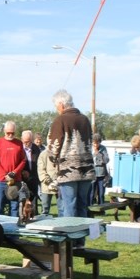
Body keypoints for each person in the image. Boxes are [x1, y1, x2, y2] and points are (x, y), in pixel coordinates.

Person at [46, 89, 95, 219]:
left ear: (61, 105)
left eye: (56, 106)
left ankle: (69, 239)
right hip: (87, 170)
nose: (57, 109)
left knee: (69, 206)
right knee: (82, 206)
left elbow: (54, 146)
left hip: (68, 171)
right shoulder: (85, 119)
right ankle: (80, 239)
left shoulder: (60, 120)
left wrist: (53, 160)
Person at [0, 121, 26, 216]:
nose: (10, 135)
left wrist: (14, 173)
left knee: (15, 206)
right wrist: (5, 174)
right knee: (0, 205)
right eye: (8, 133)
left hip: (15, 180)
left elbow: (23, 160)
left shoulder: (19, 143)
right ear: (4, 131)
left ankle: (14, 227)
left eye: (13, 133)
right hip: (2, 180)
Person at [37, 148, 62, 216]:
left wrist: (58, 181)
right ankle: (43, 225)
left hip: (60, 184)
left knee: (62, 208)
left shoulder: (61, 152)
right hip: (46, 186)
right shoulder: (43, 154)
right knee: (45, 209)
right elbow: (41, 170)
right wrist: (49, 182)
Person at [20, 130, 40, 210]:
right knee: (22, 200)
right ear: (21, 139)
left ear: (31, 140)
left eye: (28, 142)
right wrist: (22, 171)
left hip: (33, 178)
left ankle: (33, 216)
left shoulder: (36, 149)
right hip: (22, 179)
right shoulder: (19, 148)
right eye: (25, 142)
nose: (26, 144)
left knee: (33, 201)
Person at [90, 134, 110, 205]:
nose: (95, 145)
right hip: (92, 174)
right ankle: (90, 209)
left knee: (101, 193)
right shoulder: (89, 148)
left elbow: (107, 160)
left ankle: (101, 209)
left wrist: (99, 154)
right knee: (91, 193)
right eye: (94, 143)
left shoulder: (103, 148)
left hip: (101, 174)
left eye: (97, 143)